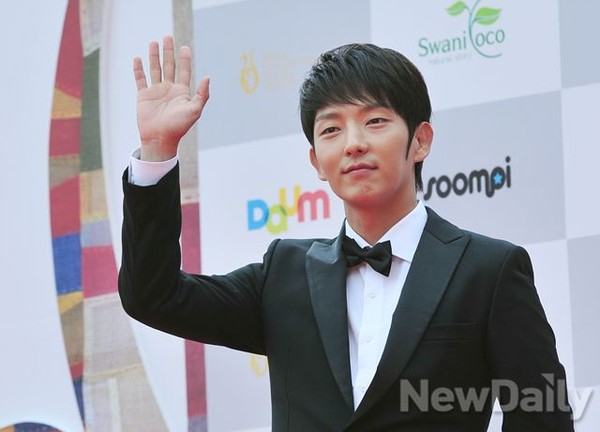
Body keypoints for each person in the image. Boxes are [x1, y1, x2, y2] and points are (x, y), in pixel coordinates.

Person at [119, 35, 574, 431]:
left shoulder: (488, 271)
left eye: (375, 121)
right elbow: (154, 297)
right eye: (332, 129)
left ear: (420, 141)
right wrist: (158, 150)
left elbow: (543, 416)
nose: (354, 143)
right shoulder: (285, 273)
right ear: (316, 161)